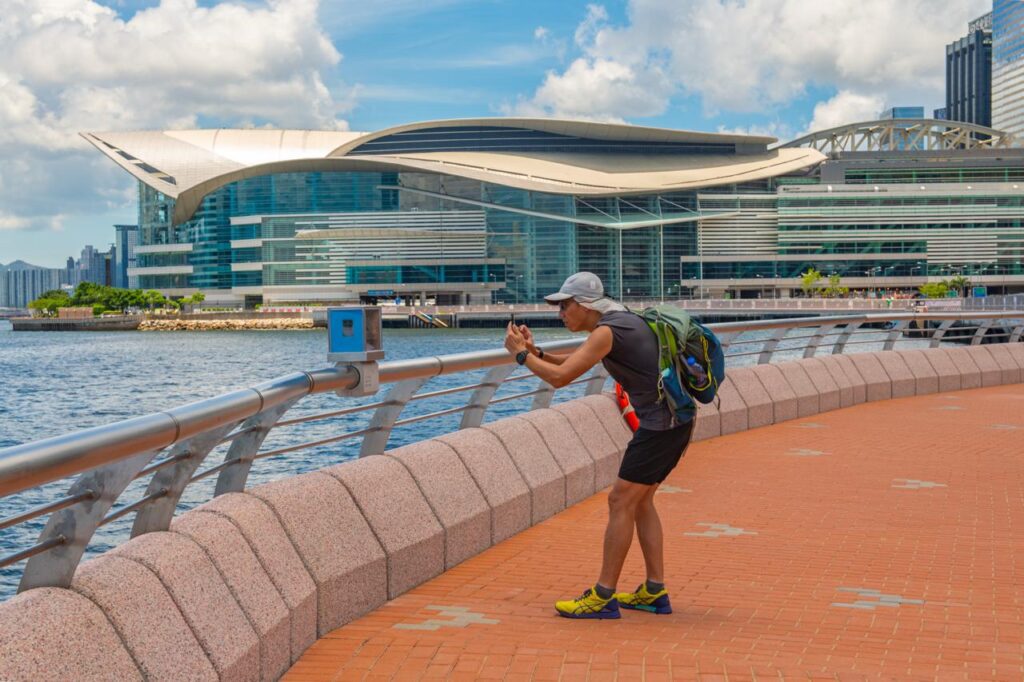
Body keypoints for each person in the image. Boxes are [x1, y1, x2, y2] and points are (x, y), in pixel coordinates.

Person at [503, 271, 695, 619]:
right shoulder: (617, 323)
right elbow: (572, 364)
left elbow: (560, 379)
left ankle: (603, 596)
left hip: (659, 425)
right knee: (640, 501)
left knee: (620, 499)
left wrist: (519, 356)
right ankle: (655, 591)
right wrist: (534, 351)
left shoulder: (608, 331)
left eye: (564, 306)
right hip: (674, 420)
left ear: (585, 305)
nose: (560, 313)